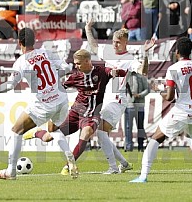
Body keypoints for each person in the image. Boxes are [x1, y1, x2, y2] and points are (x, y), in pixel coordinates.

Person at [0, 28, 77, 179]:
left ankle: (10, 172)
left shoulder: (21, 62)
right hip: (62, 99)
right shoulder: (47, 52)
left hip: (44, 104)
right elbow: (67, 68)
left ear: (19, 42)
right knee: (54, 130)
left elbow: (10, 85)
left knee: (16, 130)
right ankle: (70, 159)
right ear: (35, 41)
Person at [23, 49, 132, 175]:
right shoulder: (75, 77)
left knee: (86, 133)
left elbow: (120, 73)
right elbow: (59, 88)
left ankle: (69, 166)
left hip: (92, 114)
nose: (76, 66)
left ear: (87, 61)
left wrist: (116, 72)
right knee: (49, 137)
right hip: (76, 112)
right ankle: (37, 133)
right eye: (75, 63)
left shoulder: (101, 71)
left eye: (78, 63)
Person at [130, 37, 192, 183]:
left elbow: (169, 96)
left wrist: (158, 90)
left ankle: (143, 176)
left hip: (183, 110)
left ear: (177, 51)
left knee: (156, 138)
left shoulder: (173, 69)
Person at [85, 18, 155, 174]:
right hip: (106, 98)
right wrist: (87, 28)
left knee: (101, 132)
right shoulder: (108, 51)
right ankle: (123, 163)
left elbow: (143, 71)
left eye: (118, 42)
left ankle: (113, 167)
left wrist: (145, 54)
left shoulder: (129, 59)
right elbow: (94, 45)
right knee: (102, 133)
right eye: (114, 41)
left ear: (125, 44)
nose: (115, 44)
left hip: (118, 99)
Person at [124, 71, 149, 152]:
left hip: (140, 105)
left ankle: (141, 146)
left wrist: (140, 95)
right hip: (129, 105)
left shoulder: (142, 77)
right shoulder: (126, 77)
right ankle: (128, 146)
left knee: (140, 127)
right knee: (128, 127)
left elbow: (147, 89)